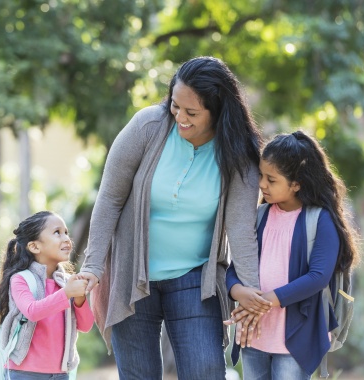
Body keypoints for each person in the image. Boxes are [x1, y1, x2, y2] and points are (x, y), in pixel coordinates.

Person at [77, 56, 271, 380]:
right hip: (133, 273)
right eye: (175, 105)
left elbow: (240, 228)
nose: (180, 117)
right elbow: (110, 198)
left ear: (219, 111)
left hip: (195, 278)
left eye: (191, 112)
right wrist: (93, 266)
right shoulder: (148, 126)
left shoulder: (240, 156)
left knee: (206, 371)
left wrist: (250, 292)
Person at [225, 130, 362, 379]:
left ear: (296, 183)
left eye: (272, 179)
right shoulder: (259, 216)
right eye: (261, 175)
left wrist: (263, 302)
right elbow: (236, 267)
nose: (262, 184)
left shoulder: (321, 220)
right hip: (255, 337)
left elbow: (318, 277)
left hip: (295, 340)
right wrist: (239, 292)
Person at [0, 211, 94, 380]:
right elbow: (32, 311)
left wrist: (79, 298)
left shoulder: (66, 282)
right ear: (35, 246)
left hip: (60, 374)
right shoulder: (21, 279)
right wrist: (67, 293)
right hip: (24, 372)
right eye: (57, 232)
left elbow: (86, 326)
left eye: (66, 232)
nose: (66, 238)